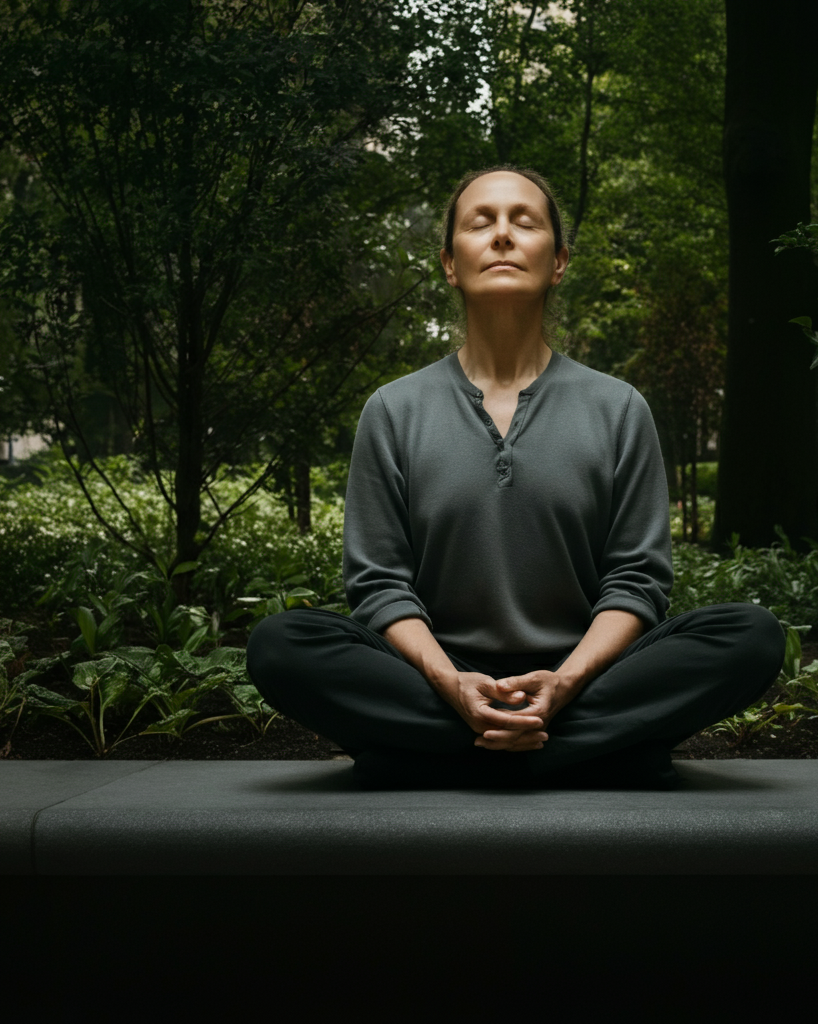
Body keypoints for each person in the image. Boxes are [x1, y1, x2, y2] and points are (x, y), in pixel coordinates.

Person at [246, 166, 785, 789]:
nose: (502, 234)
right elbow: (379, 586)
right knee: (280, 644)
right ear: (450, 263)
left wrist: (566, 682)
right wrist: (452, 684)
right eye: (481, 222)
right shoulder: (393, 410)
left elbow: (636, 582)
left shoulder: (619, 408)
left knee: (751, 636)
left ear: (558, 262)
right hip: (436, 675)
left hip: (586, 673)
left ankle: (441, 754)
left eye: (524, 222)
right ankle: (590, 752)